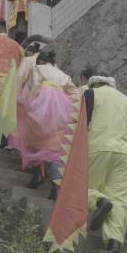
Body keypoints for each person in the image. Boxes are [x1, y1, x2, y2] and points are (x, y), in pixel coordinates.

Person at [9, 48, 76, 200]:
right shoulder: (64, 75)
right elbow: (75, 93)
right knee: (54, 148)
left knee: (33, 142)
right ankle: (55, 186)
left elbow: (31, 88)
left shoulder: (37, 69)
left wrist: (24, 104)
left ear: (41, 61)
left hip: (41, 106)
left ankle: (37, 176)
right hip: (61, 111)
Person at [84, 75, 127, 253]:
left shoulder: (91, 94)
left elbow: (82, 123)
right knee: (120, 197)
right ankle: (115, 241)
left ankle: (99, 202)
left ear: (94, 84)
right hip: (125, 153)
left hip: (98, 146)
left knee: (82, 186)